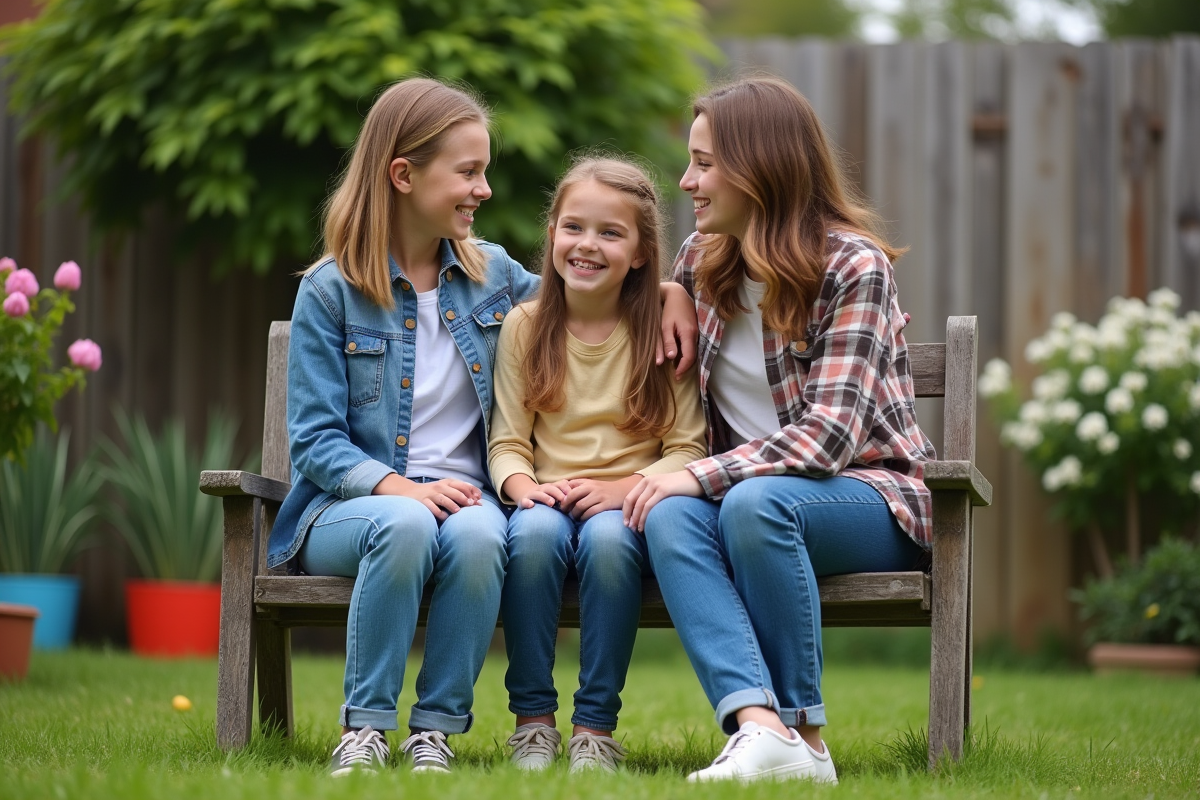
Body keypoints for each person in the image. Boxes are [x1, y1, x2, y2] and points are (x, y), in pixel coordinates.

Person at [268, 79, 697, 777]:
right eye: (468, 171)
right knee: (406, 526)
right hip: (349, 509)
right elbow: (315, 443)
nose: (485, 189)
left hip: (467, 500)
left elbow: (586, 287)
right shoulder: (330, 290)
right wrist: (400, 488)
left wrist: (670, 292)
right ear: (403, 175)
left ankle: (432, 731)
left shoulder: (490, 273)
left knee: (478, 535)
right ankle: (366, 728)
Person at [623, 76, 938, 784]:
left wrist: (693, 473)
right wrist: (664, 293)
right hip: (747, 505)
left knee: (747, 500)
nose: (687, 180)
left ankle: (808, 739)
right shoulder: (700, 266)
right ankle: (759, 728)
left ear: (760, 166)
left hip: (869, 497)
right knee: (671, 514)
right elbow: (584, 299)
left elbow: (828, 439)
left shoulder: (853, 266)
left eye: (704, 163)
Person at [488, 157, 707, 773]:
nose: (587, 245)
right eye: (573, 227)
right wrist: (522, 486)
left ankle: (594, 730)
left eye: (611, 233)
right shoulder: (525, 327)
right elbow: (508, 439)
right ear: (552, 233)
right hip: (546, 500)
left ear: (640, 252)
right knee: (529, 538)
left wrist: (625, 488)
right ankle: (532, 724)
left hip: (628, 503)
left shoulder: (660, 334)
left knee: (610, 546)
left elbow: (688, 447)